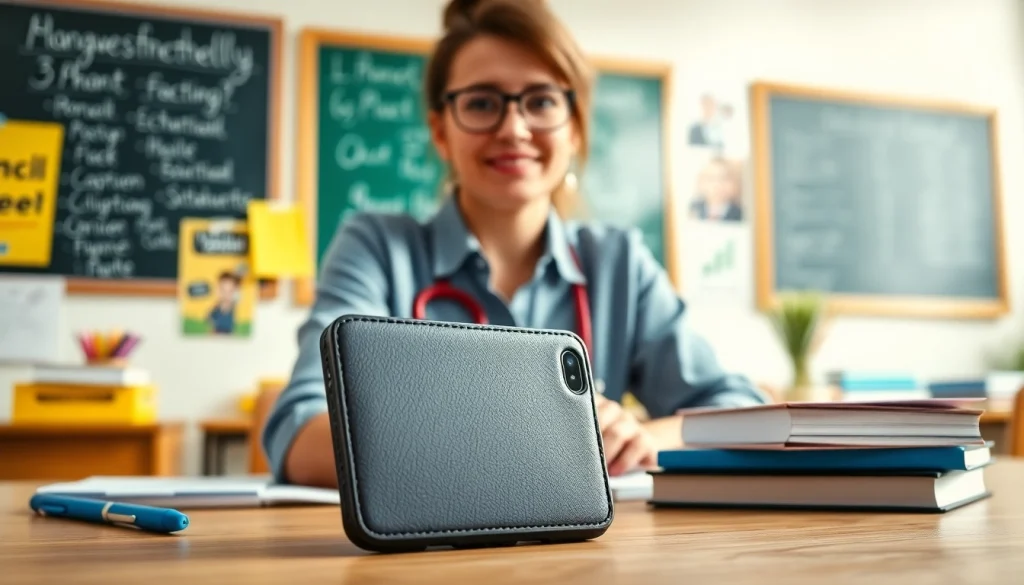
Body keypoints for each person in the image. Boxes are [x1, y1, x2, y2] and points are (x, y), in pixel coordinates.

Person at [263, 0, 768, 488]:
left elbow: (739, 412)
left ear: (574, 127)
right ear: (440, 131)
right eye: (482, 103)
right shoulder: (378, 250)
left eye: (541, 101)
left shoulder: (619, 262)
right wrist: (528, 440)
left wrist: (640, 439)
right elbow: (300, 438)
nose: (514, 129)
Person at [689, 156, 743, 222]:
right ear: (701, 183)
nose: (717, 185)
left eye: (723, 179)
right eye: (711, 179)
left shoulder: (739, 213)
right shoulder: (695, 208)